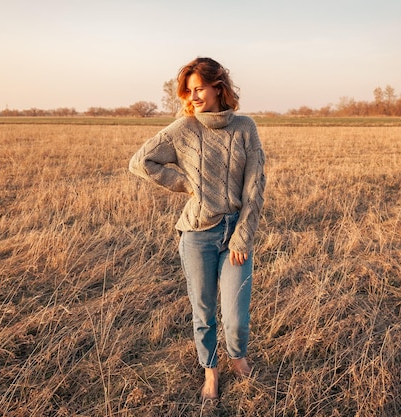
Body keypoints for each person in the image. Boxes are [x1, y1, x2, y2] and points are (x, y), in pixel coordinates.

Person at [128, 57, 266, 402]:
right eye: (188, 91)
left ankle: (238, 358)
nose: (193, 96)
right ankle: (210, 370)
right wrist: (186, 184)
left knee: (236, 315)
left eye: (199, 88)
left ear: (219, 87)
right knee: (203, 312)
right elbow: (140, 162)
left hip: (235, 232)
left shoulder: (245, 127)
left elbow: (255, 186)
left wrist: (243, 234)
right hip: (197, 235)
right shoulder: (183, 129)